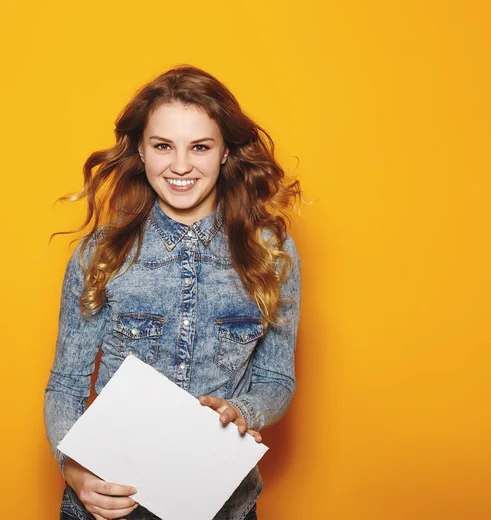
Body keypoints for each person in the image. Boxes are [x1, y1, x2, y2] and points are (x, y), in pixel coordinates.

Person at [44, 65, 302, 520]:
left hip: (225, 506)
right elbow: (66, 387)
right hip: (113, 506)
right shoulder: (99, 254)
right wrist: (75, 472)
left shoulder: (272, 253)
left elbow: (276, 381)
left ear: (224, 152)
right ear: (140, 150)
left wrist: (243, 410)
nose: (180, 166)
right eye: (163, 146)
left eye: (200, 147)